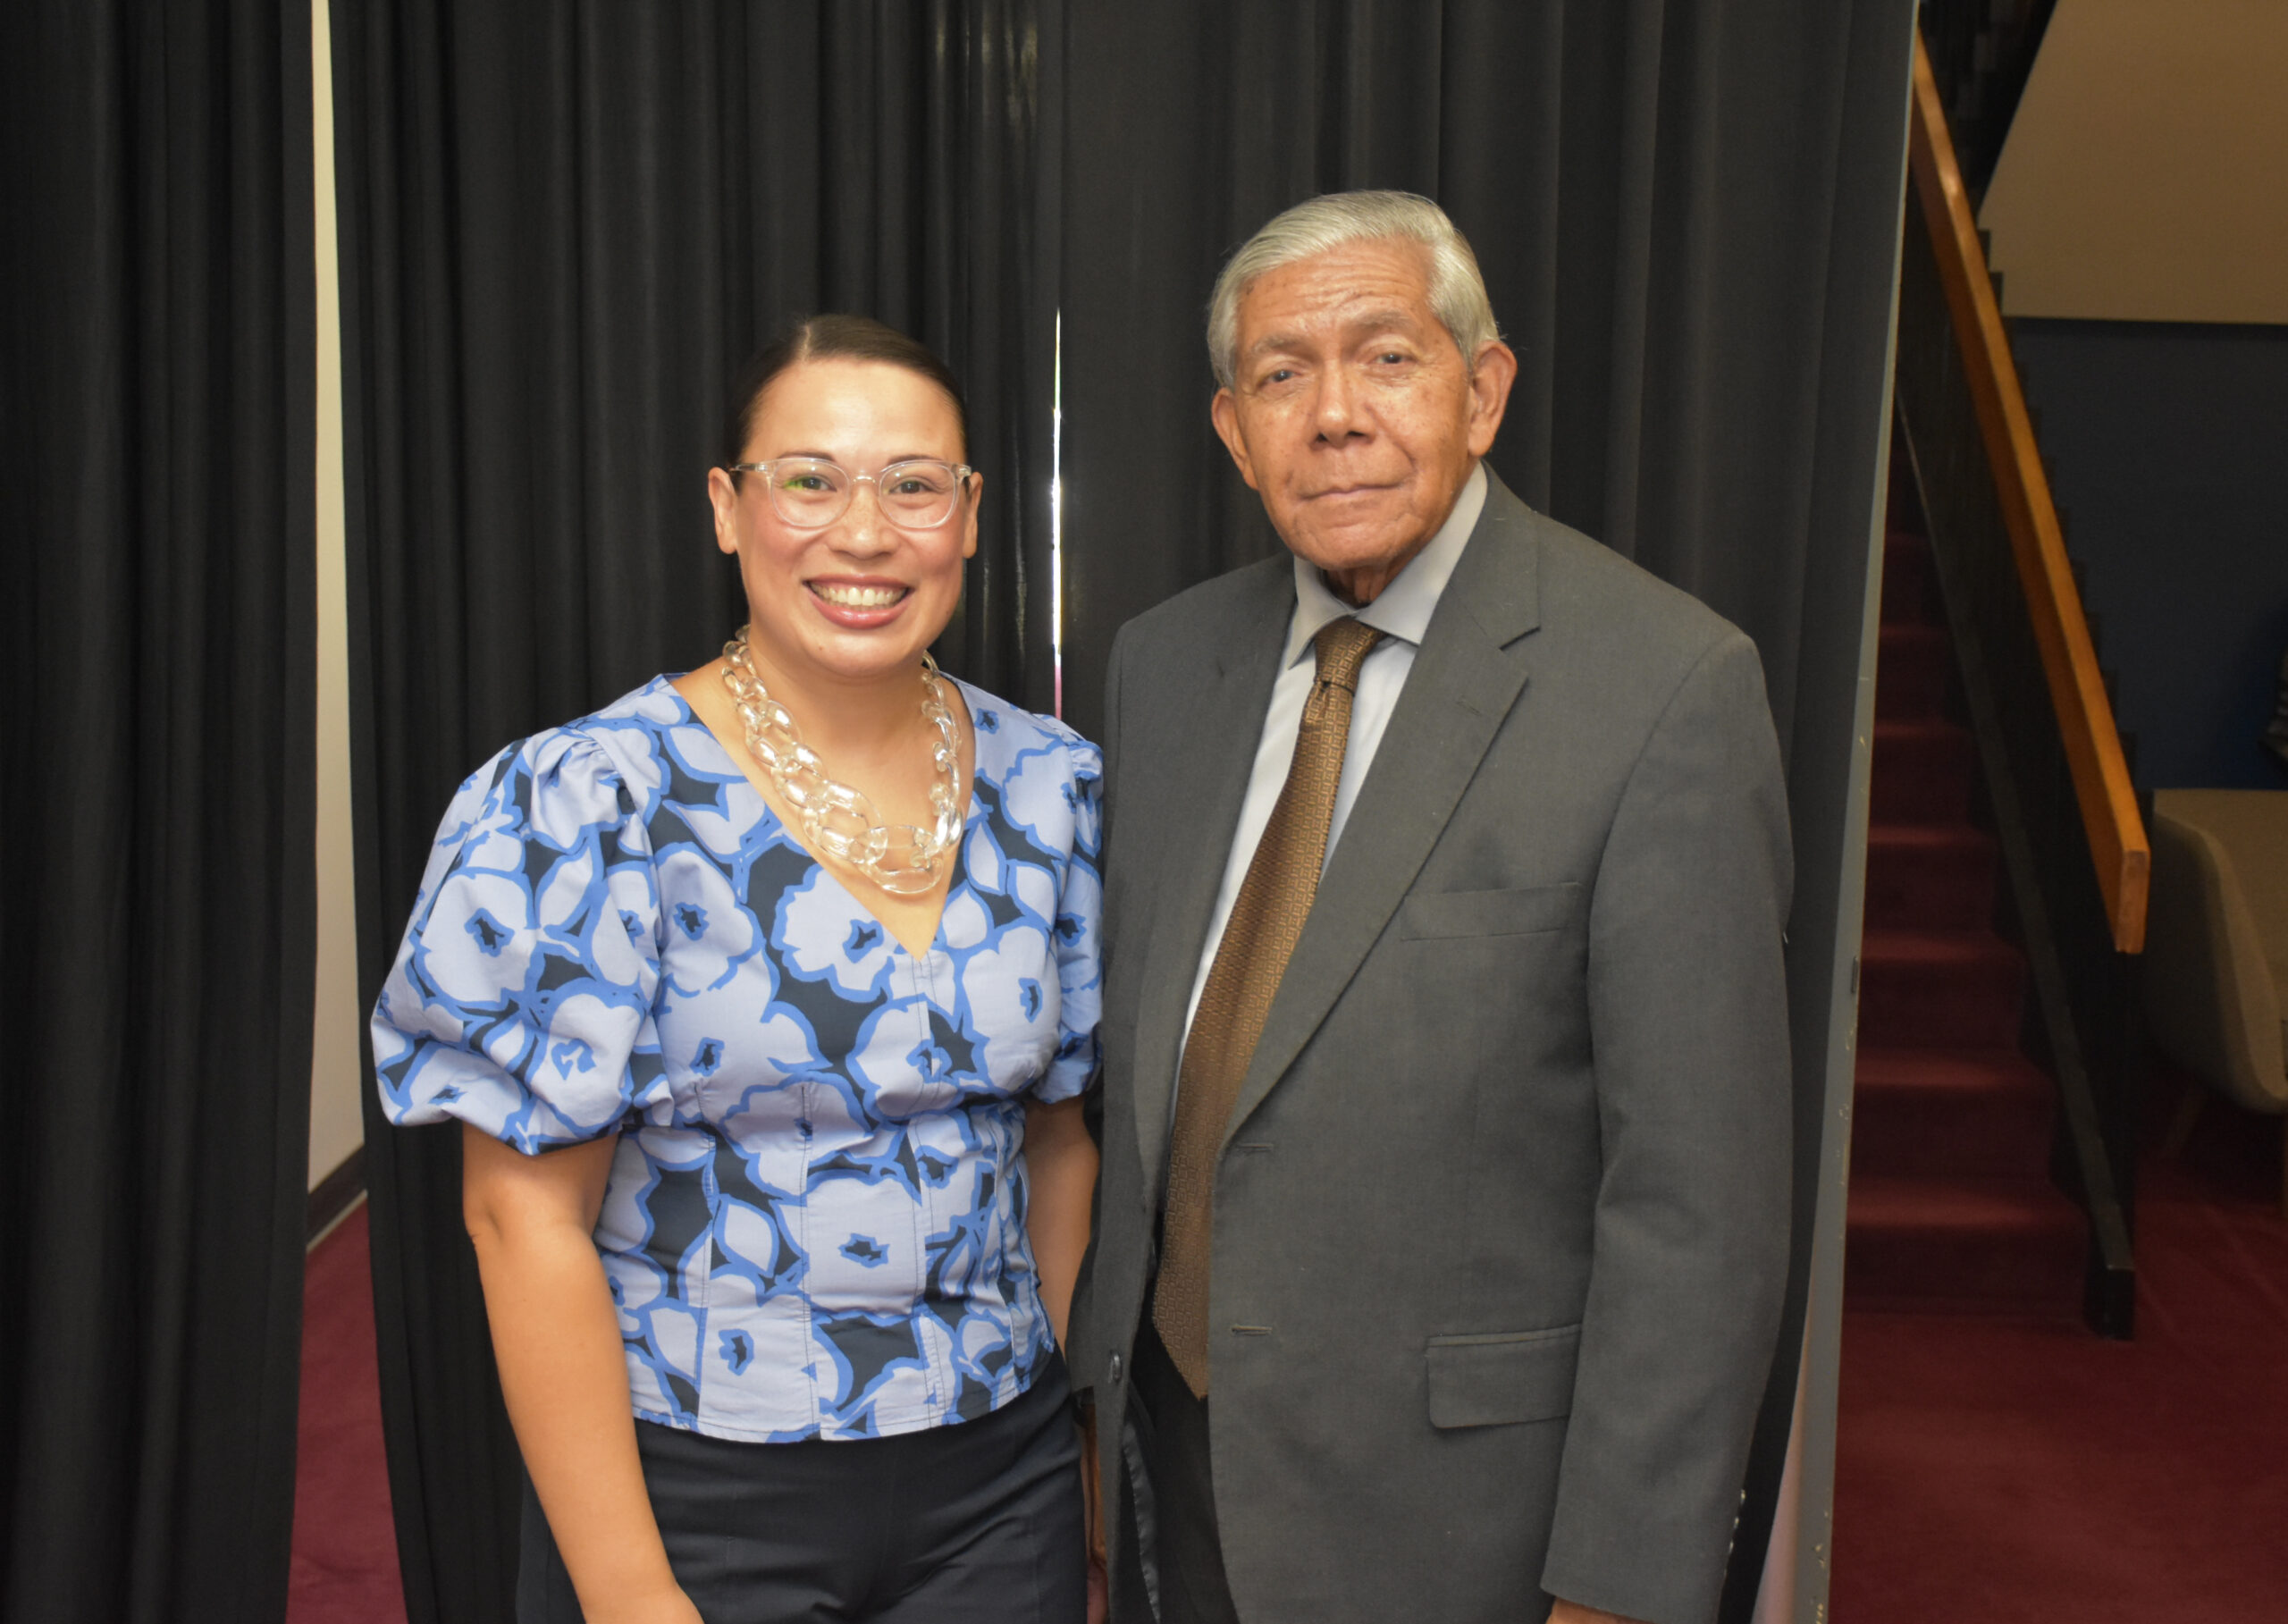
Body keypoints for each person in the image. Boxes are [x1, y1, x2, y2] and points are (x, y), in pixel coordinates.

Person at [1069, 191, 1794, 1624]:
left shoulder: (1663, 685)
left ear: (1485, 390)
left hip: (1467, 1528)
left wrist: (1621, 1588)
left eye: (1386, 357)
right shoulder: (1164, 667)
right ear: (1233, 428)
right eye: (1282, 374)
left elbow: (1699, 1206)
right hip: (1170, 1474)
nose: (1332, 413)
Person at [372, 316, 1101, 1624]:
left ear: (973, 512)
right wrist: (629, 1590)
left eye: (913, 484)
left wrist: (1046, 1421)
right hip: (693, 1487)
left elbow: (1061, 1138)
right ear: (727, 505)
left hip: (1001, 1481)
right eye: (809, 479)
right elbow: (517, 1216)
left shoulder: (1055, 786)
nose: (865, 532)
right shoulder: (592, 798)